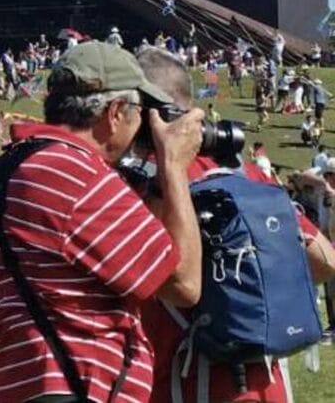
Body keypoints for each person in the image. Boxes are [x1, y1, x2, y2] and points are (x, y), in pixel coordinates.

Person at [0, 41, 204, 403]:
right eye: (141, 111)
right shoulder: (75, 174)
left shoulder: (16, 165)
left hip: (16, 383)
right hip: (72, 385)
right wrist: (173, 166)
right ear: (115, 112)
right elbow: (184, 284)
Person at [136, 46, 335, 402]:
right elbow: (325, 261)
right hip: (266, 382)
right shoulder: (247, 173)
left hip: (183, 382)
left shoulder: (142, 183)